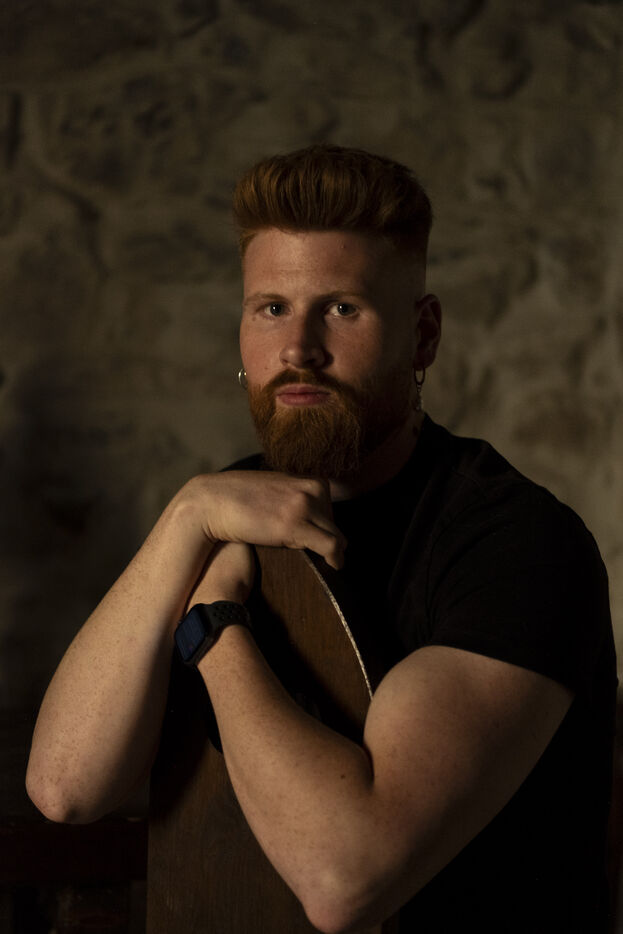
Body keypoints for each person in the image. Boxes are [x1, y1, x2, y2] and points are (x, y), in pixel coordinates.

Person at [26, 144, 617, 932]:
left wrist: (213, 625)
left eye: (340, 308)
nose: (298, 347)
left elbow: (346, 879)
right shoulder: (214, 512)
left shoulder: (516, 544)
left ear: (423, 335)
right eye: (270, 307)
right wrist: (186, 514)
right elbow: (65, 788)